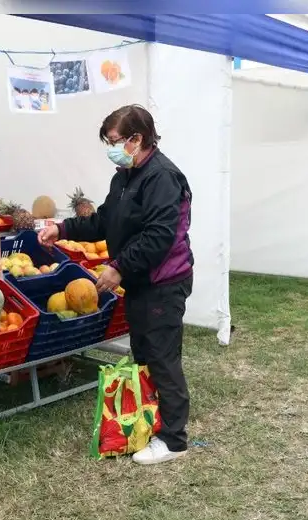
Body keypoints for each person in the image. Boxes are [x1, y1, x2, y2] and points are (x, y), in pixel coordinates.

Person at [37, 104, 194, 465]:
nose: (110, 148)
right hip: (140, 281)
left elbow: (159, 237)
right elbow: (107, 221)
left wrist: (119, 268)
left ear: (137, 139)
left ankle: (173, 439)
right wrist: (62, 229)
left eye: (114, 141)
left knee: (162, 356)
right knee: (143, 352)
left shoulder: (162, 177)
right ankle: (150, 420)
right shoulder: (125, 175)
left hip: (163, 281)